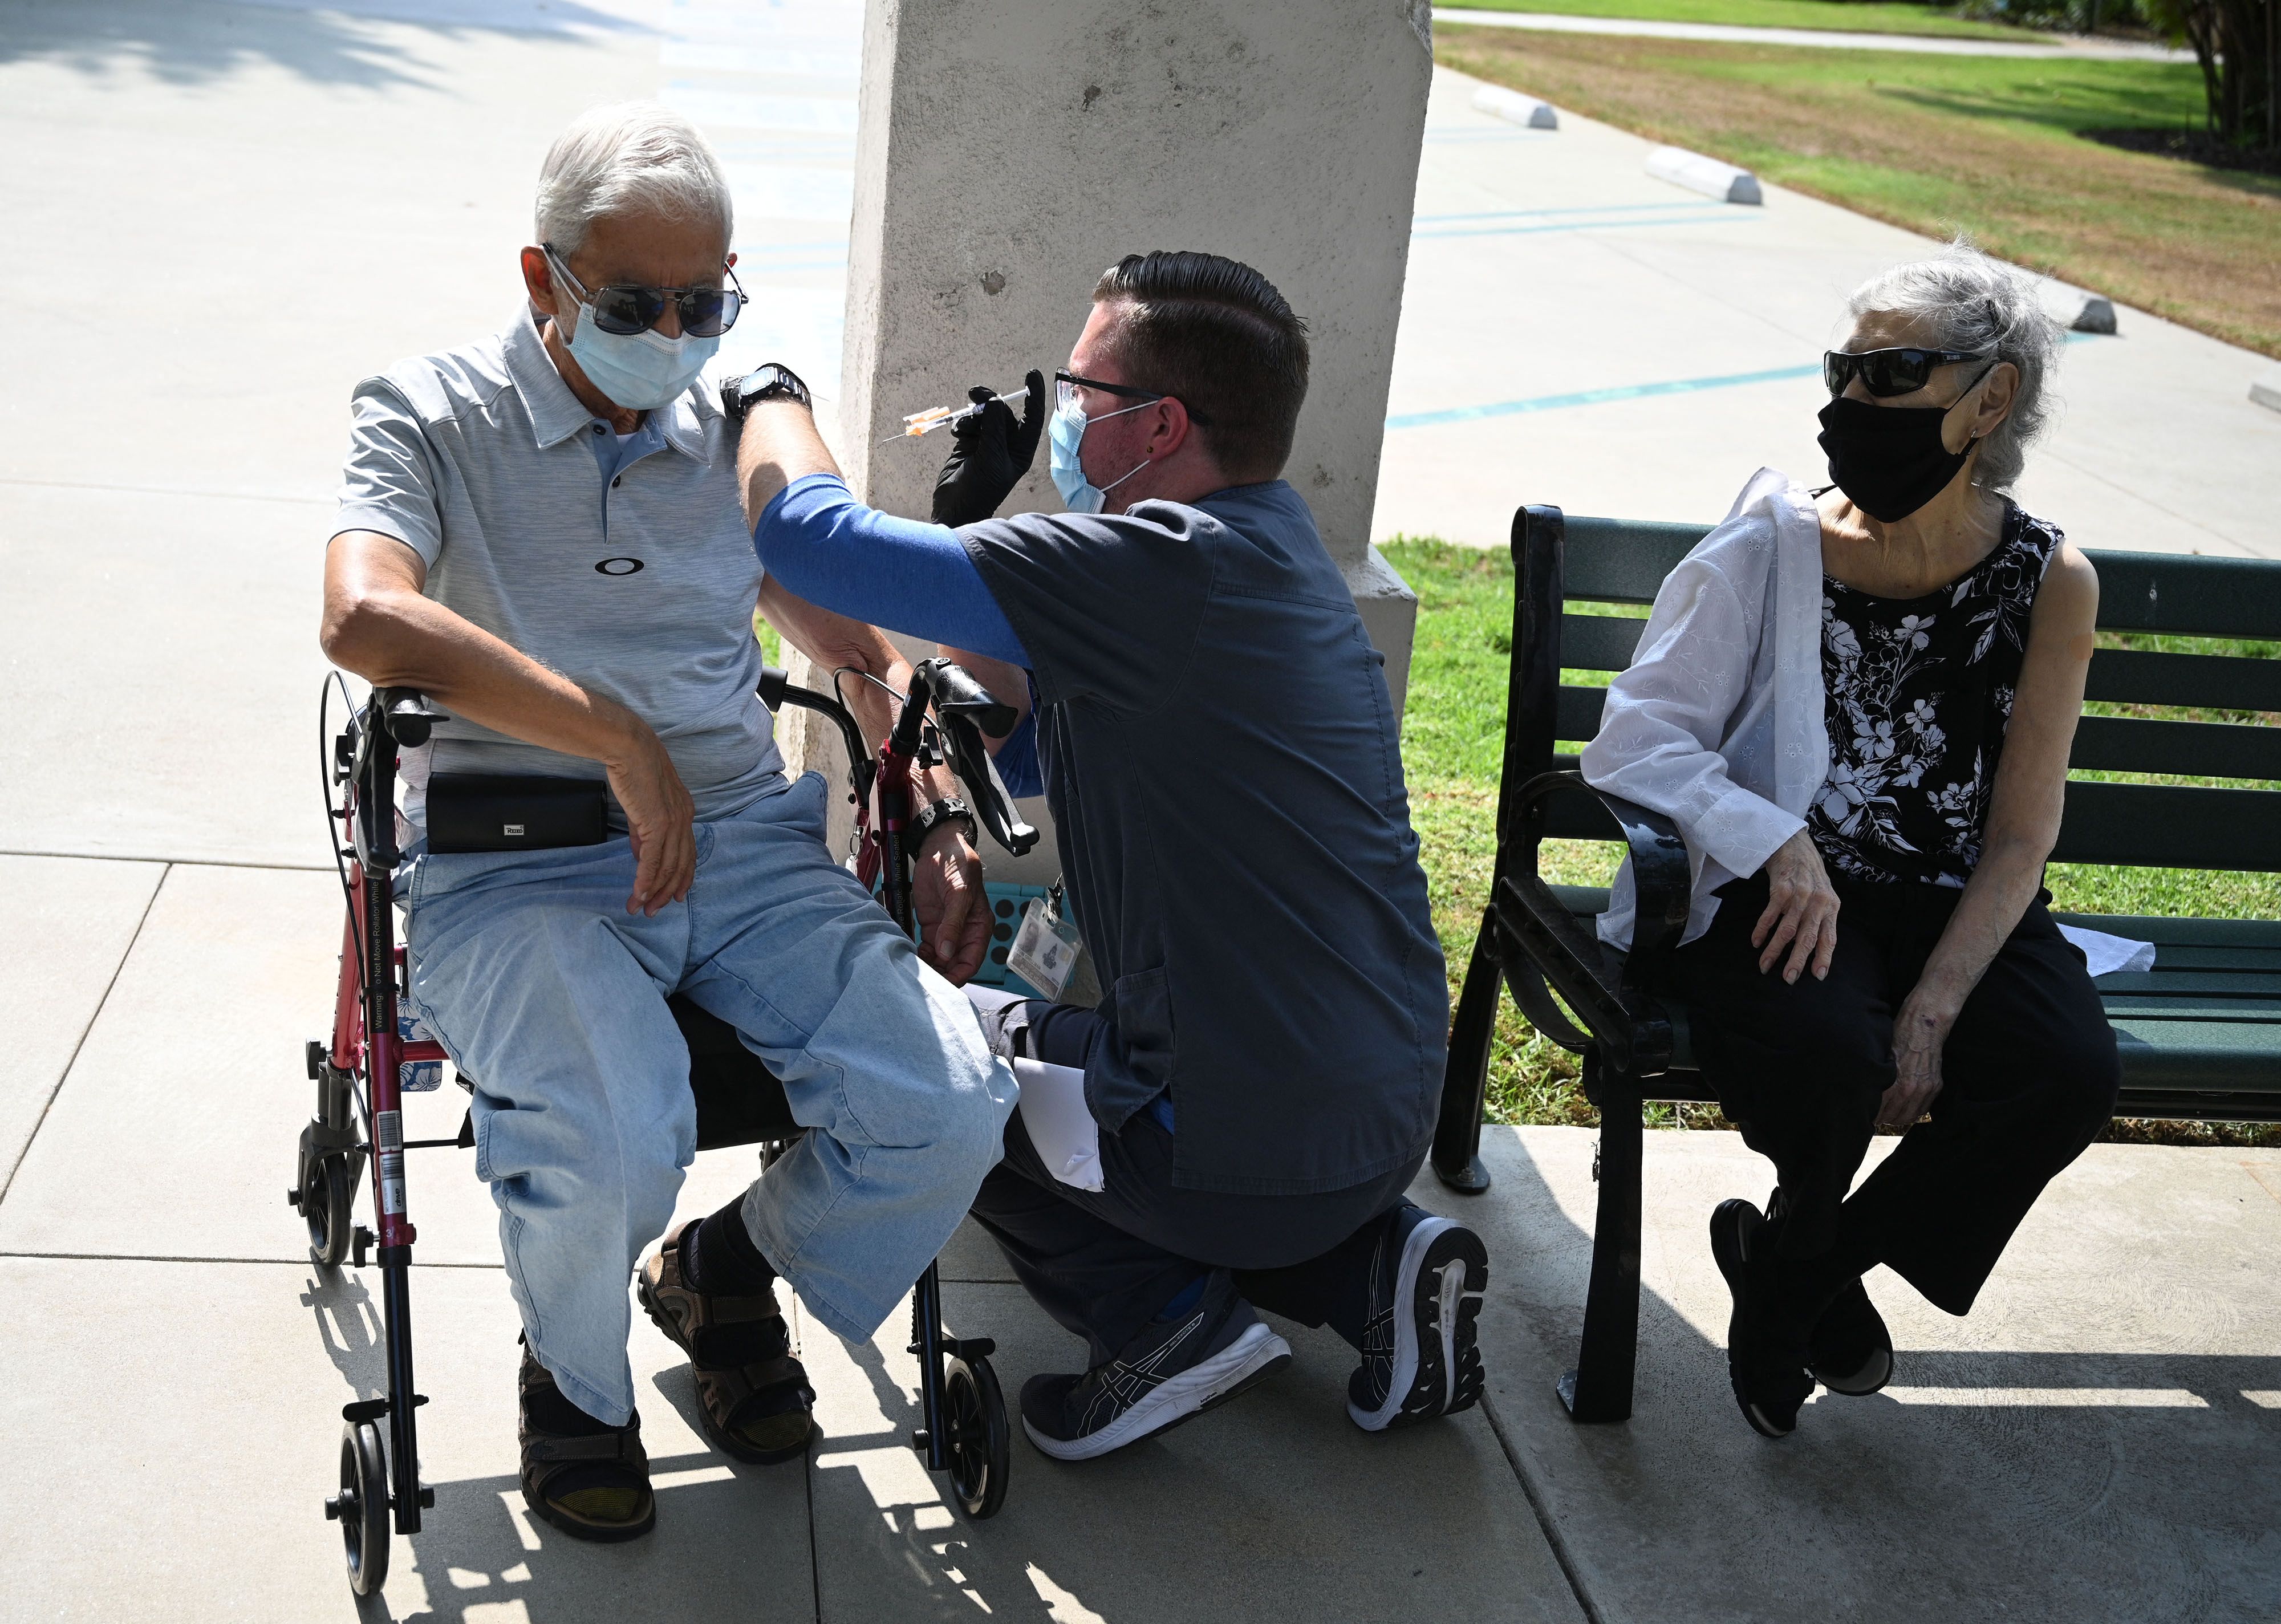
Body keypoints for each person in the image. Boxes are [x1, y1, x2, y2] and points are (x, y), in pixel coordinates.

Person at [320, 102, 1016, 1541]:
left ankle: (723, 1268)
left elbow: (848, 638)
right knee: (612, 1122)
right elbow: (362, 616)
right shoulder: (431, 411)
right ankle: (576, 1381)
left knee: (951, 1096)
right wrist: (611, 735)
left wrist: (929, 793)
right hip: (516, 854)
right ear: (542, 278)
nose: (675, 333)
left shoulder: (728, 431)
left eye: (706, 302)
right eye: (635, 304)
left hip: (745, 840)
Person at [729, 249, 1489, 1463]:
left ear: (1162, 424)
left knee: (932, 1078)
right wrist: (969, 535)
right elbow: (1023, 740)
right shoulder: (1265, 552)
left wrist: (767, 395)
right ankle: (1369, 1268)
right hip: (1380, 1111)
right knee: (1044, 1044)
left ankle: (1156, 1323)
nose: (1067, 417)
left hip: (1242, 1145)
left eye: (1083, 391)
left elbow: (811, 542)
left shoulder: (1157, 565)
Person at [1580, 241, 2120, 1439]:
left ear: (1990, 398)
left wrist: (1936, 1002)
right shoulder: (1767, 550)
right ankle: (1811, 1248)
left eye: (1891, 374)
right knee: (1830, 1054)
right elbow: (1636, 738)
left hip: (1952, 896)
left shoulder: (2050, 579)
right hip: (1790, 894)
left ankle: (1797, 1271)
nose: (1850, 402)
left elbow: (2021, 833)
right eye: (1843, 371)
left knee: (2064, 1070)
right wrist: (1775, 839)